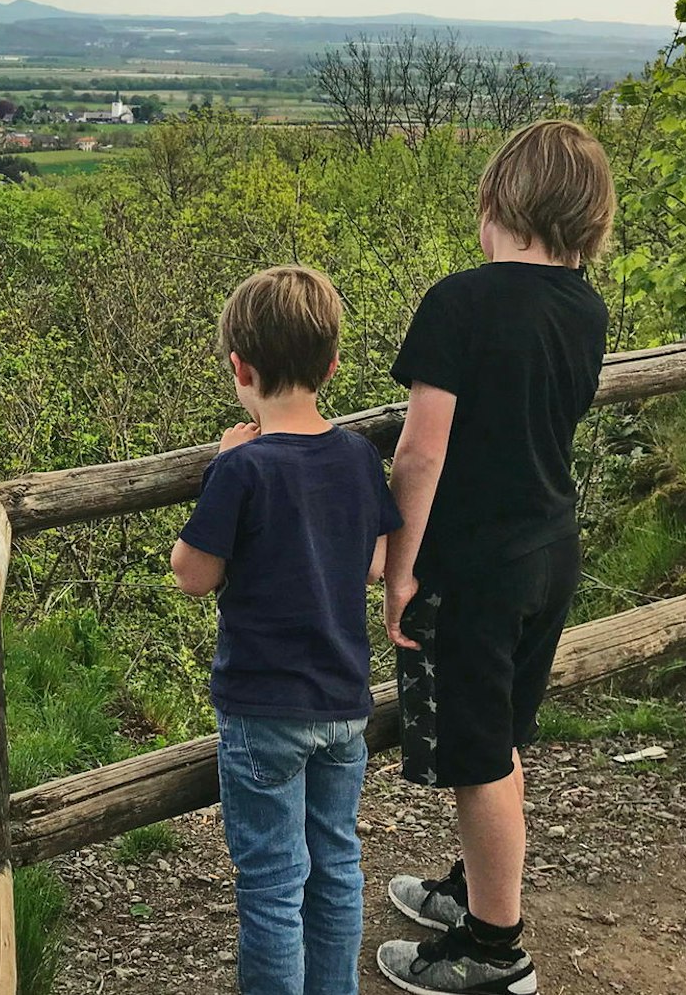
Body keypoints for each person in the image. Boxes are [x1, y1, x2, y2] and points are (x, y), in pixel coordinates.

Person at [374, 119, 613, 995]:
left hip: (478, 565)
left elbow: (420, 451)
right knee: (503, 733)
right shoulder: (586, 309)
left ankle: (493, 948)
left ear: (500, 201)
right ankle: (471, 891)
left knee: (481, 756)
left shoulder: (460, 301)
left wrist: (401, 568)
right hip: (552, 546)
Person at [171, 265, 402, 995]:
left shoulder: (244, 468)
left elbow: (193, 572)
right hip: (343, 702)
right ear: (332, 366)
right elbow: (374, 563)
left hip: (264, 707)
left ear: (239, 367)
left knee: (272, 880)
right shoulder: (359, 456)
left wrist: (221, 464)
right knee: (335, 863)